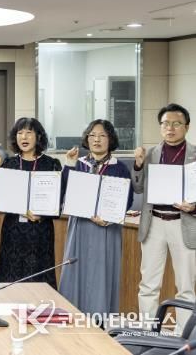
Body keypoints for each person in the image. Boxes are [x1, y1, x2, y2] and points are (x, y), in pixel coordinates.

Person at [59, 119, 133, 319]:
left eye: (102, 135)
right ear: (87, 138)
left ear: (111, 139)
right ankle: (73, 318)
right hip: (80, 226)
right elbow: (63, 191)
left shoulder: (119, 168)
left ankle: (100, 322)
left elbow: (126, 200)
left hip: (106, 228)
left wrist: (109, 219)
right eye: (92, 135)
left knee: (102, 274)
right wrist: (68, 164)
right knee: (75, 270)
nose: (97, 140)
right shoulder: (78, 164)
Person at [133, 103, 196, 331]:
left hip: (184, 223)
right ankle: (148, 332)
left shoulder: (195, 155)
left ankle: (183, 336)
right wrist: (138, 165)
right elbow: (138, 188)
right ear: (160, 126)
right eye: (165, 123)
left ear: (186, 127)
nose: (170, 128)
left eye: (176, 123)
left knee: (186, 286)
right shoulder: (150, 154)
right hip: (154, 224)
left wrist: (194, 207)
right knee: (149, 283)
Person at [0, 118, 61, 288]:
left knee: (39, 277)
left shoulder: (51, 164)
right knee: (10, 274)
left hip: (40, 231)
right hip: (13, 229)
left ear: (38, 137)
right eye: (20, 133)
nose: (24, 137)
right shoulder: (9, 164)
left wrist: (41, 215)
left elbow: (58, 201)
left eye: (29, 133)